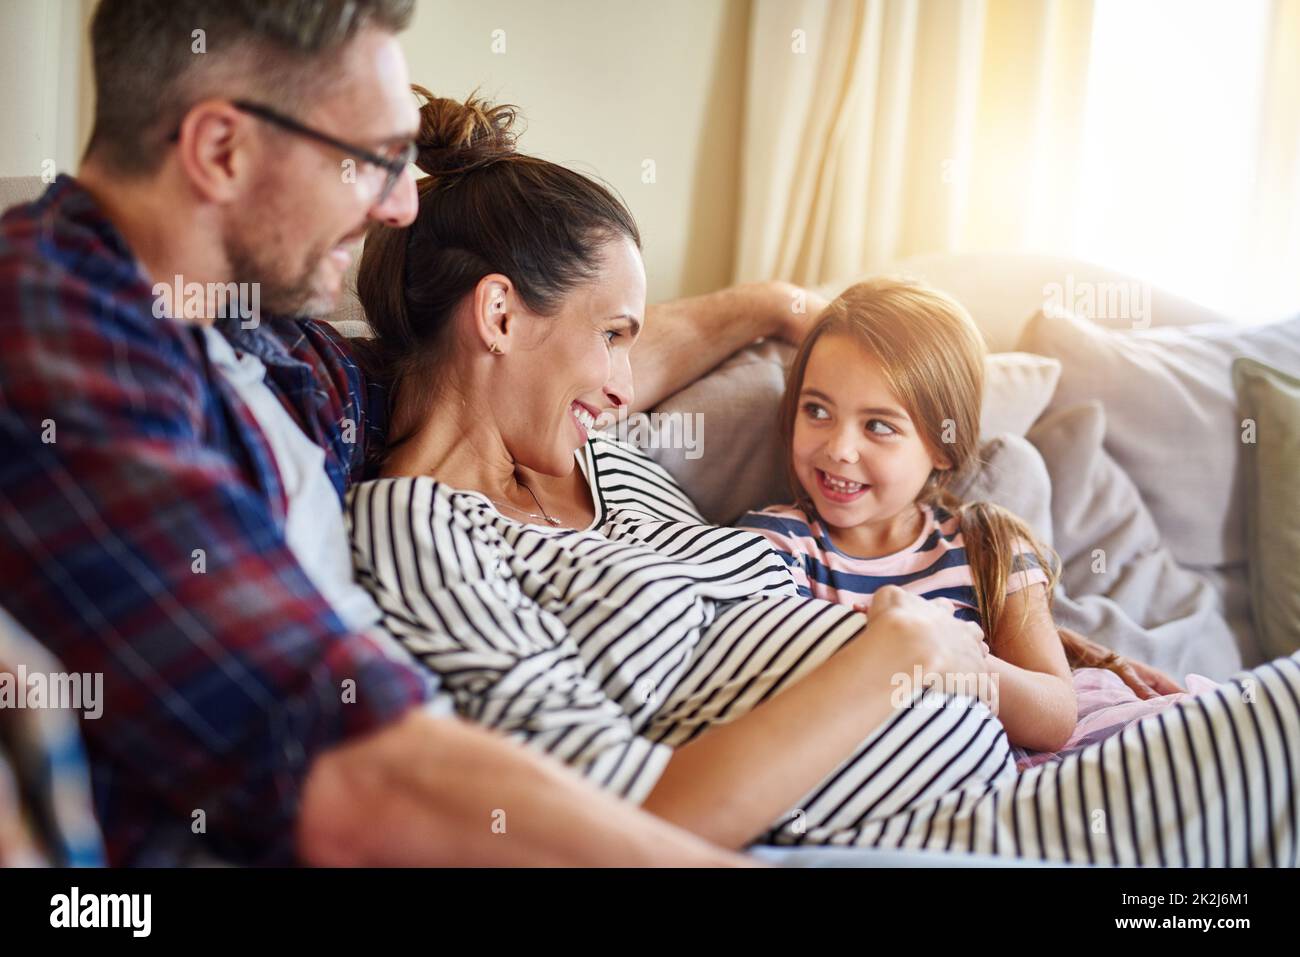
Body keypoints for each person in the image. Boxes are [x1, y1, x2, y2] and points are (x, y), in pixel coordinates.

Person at [347, 90, 1300, 865]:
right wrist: (894, 660)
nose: (627, 384)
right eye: (612, 338)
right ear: (501, 319)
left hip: (1019, 774)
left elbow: (640, 348)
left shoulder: (579, 447)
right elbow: (630, 823)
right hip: (962, 830)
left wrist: (777, 305)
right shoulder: (423, 535)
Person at [0, 0, 828, 867]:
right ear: (221, 150)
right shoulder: (55, 336)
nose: (401, 205)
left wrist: (763, 307)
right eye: (373, 159)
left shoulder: (278, 352)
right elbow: (354, 780)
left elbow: (530, 370)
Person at [736, 279, 1220, 766]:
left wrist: (952, 657)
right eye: (817, 410)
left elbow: (1053, 716)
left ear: (943, 447)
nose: (839, 449)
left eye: (878, 425)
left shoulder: (988, 544)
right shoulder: (777, 543)